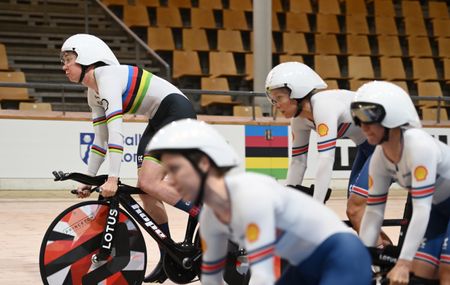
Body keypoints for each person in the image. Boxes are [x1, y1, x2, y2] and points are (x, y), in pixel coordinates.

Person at [146, 118, 372, 285]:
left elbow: (264, 275)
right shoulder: (209, 218)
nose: (170, 180)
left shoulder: (249, 195)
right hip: (302, 264)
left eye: (175, 169)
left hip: (341, 254)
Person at [60, 33, 197, 283]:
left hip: (176, 111)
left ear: (88, 58)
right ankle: (169, 256)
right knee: (146, 191)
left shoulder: (107, 77)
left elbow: (116, 131)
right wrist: (88, 179)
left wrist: (112, 178)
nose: (64, 66)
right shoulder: (93, 94)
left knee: (147, 182)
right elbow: (100, 142)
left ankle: (202, 210)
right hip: (159, 119)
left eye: (68, 59)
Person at [265, 61, 390, 245]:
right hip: (367, 148)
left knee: (355, 209)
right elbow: (298, 163)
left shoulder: (324, 107)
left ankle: (384, 266)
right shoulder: (299, 121)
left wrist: (316, 210)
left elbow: (326, 160)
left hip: (387, 147)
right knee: (357, 215)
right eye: (272, 99)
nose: (275, 104)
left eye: (279, 97)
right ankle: (388, 259)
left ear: (298, 92)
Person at [353, 81, 450, 285]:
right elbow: (374, 212)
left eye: (369, 118)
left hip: (430, 207)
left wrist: (403, 263)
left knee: (446, 271)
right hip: (437, 208)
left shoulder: (419, 145)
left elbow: (421, 209)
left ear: (393, 119)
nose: (364, 128)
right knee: (420, 275)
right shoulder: (380, 157)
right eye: (358, 120)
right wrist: (360, 260)